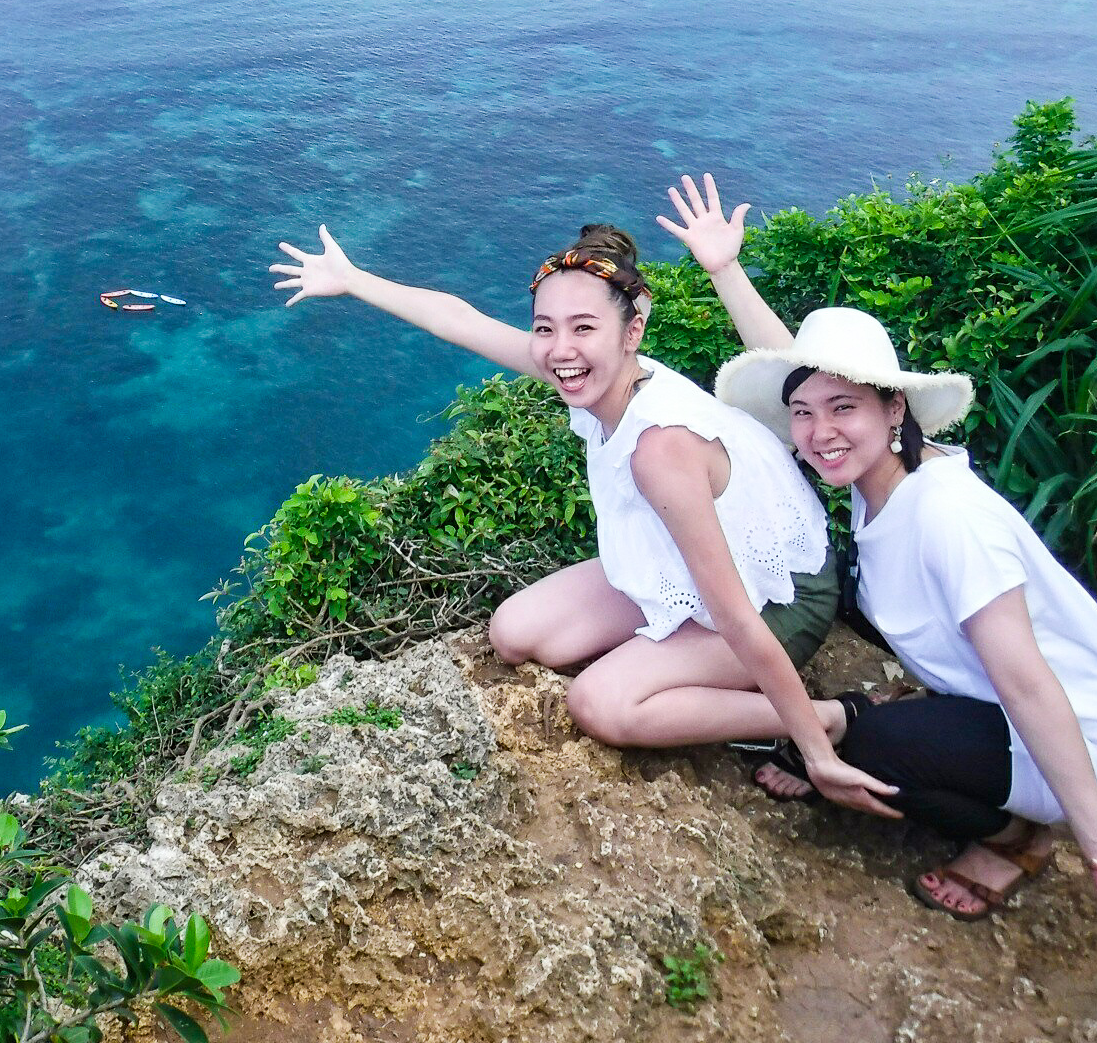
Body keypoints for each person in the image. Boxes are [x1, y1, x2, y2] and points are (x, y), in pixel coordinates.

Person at [659, 172, 1097, 936]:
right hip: (1006, 710)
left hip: (1085, 736)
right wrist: (725, 270)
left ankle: (1015, 838)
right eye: (804, 414)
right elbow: (791, 368)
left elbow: (1028, 682)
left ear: (894, 408)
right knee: (839, 713)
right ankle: (964, 766)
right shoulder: (887, 470)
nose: (819, 432)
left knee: (851, 741)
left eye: (844, 408)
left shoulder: (946, 514)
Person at [269, 221, 900, 814]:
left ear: (632, 331)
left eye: (583, 328)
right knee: (515, 633)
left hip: (779, 596)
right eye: (544, 328)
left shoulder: (661, 448)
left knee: (601, 704)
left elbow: (736, 616)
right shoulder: (595, 375)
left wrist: (817, 755)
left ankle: (829, 717)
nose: (560, 350)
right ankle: (693, 666)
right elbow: (461, 321)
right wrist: (354, 280)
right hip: (683, 564)